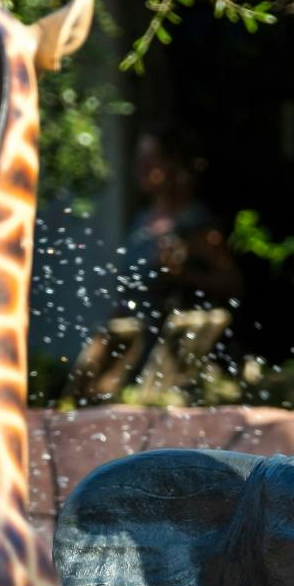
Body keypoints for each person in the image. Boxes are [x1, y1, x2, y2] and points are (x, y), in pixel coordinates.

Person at [74, 125, 244, 402]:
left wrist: (182, 276)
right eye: (138, 159)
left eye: (150, 159)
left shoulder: (195, 224)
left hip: (172, 364)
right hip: (134, 356)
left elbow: (232, 283)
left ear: (175, 164)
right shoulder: (143, 220)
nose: (141, 167)